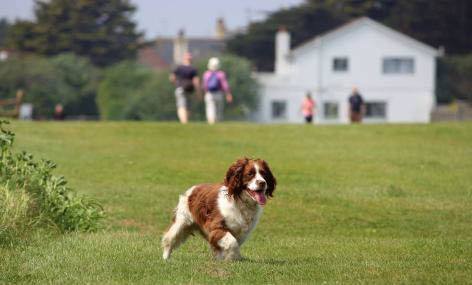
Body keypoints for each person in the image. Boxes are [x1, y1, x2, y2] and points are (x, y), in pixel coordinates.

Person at [169, 52, 200, 124]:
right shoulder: (193, 69)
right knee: (188, 106)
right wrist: (198, 92)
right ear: (191, 59)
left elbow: (172, 78)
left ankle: (184, 122)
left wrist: (176, 84)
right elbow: (196, 81)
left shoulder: (178, 67)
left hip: (180, 88)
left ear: (184, 59)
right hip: (189, 90)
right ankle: (185, 121)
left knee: (181, 105)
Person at [202, 57, 232, 124]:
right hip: (219, 93)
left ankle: (211, 122)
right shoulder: (221, 74)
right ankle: (218, 122)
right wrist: (228, 94)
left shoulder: (206, 74)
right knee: (219, 110)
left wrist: (204, 93)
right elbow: (225, 85)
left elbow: (205, 86)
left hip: (209, 94)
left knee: (210, 108)